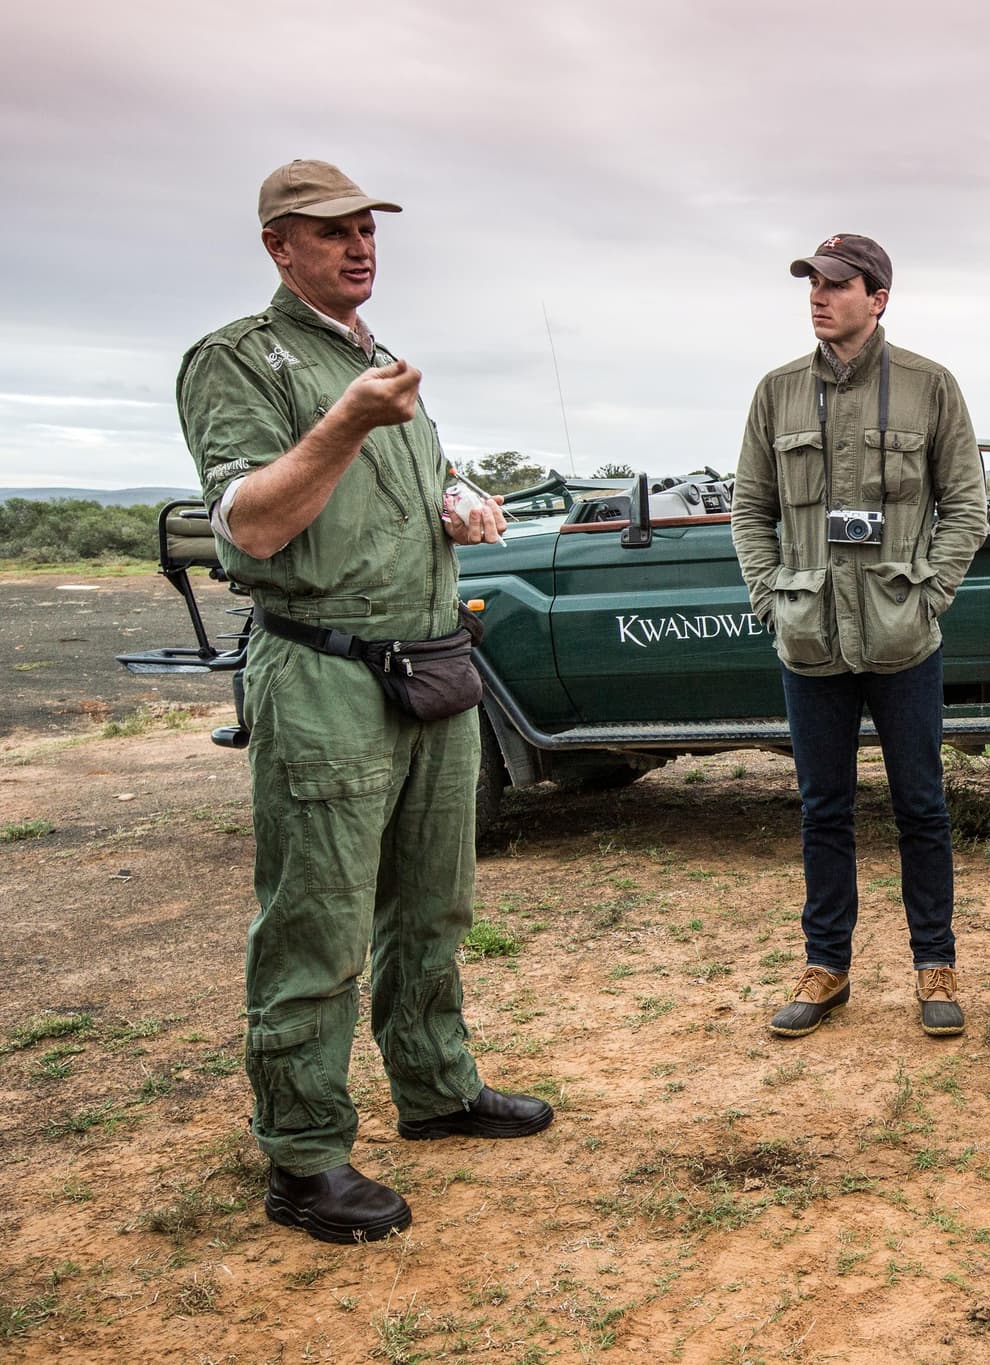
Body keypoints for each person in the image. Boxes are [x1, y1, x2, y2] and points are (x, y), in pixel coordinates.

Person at [177, 159, 551, 1245]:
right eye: (331, 230)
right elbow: (249, 522)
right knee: (316, 922)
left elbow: (384, 496)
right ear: (277, 246)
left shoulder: (381, 363)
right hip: (325, 671)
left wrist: (449, 497)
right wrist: (342, 423)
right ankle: (302, 1157)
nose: (358, 245)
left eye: (367, 229)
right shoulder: (238, 360)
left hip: (426, 666)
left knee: (431, 906)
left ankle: (434, 1089)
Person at [731, 234, 990, 1040]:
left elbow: (967, 508)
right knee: (823, 808)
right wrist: (776, 600)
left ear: (878, 298)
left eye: (838, 284)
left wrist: (927, 596)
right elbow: (751, 510)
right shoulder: (776, 393)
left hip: (902, 639)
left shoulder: (928, 386)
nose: (820, 295)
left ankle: (934, 964)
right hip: (811, 639)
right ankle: (826, 964)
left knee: (921, 805)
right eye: (813, 281)